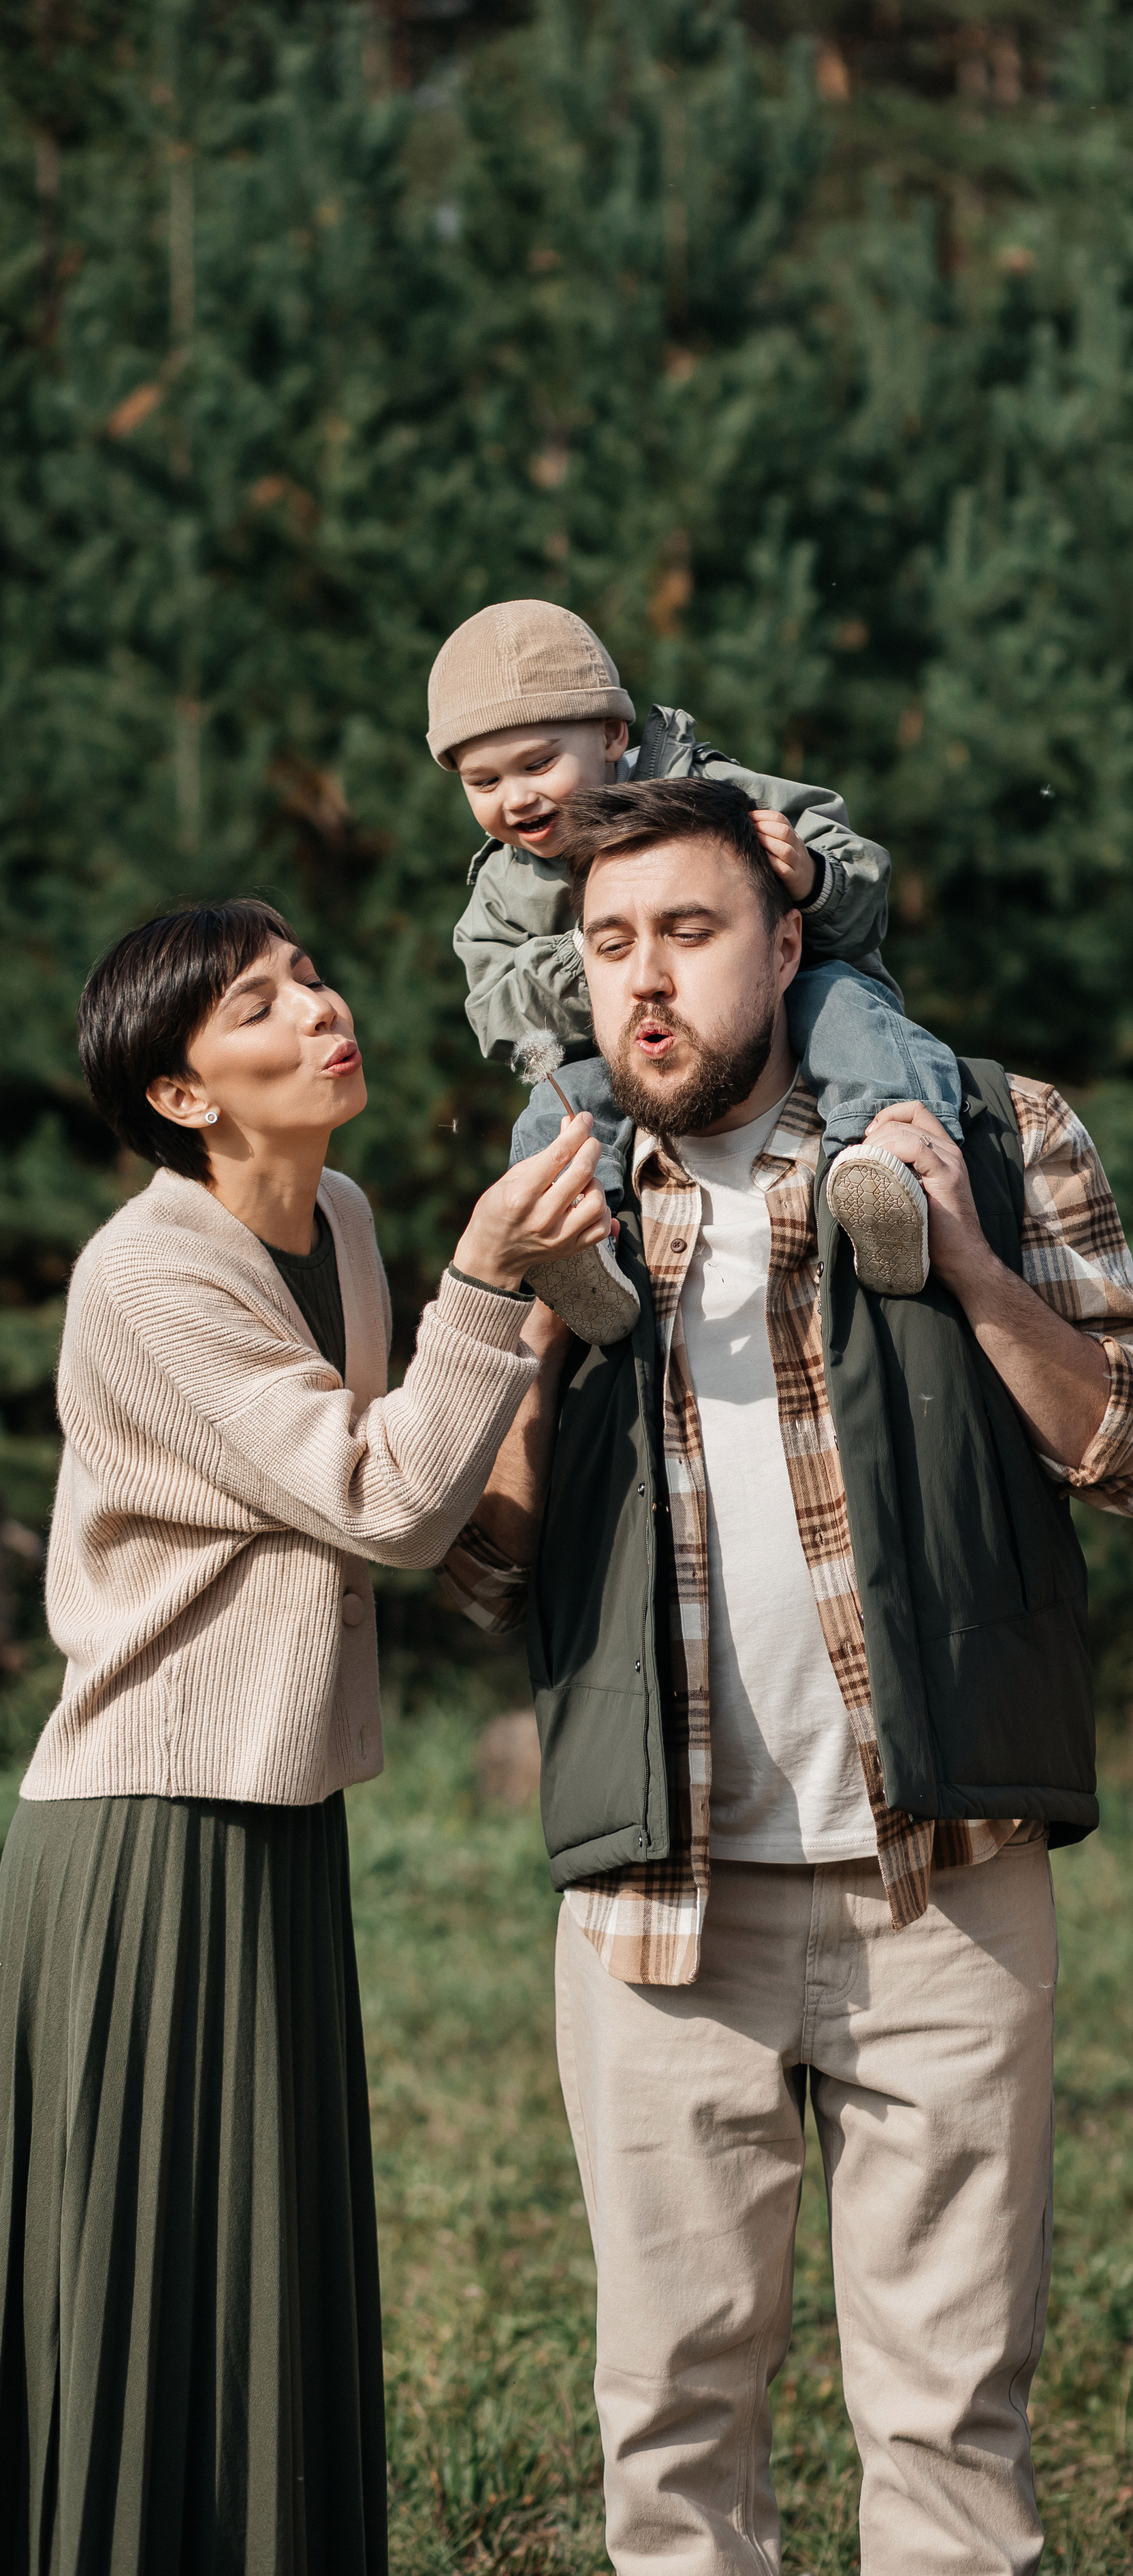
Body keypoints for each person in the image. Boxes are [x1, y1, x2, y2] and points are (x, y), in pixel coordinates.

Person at [440, 775, 1133, 2574]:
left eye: (689, 935)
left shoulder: (988, 1130)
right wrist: (533, 1313)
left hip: (945, 1873)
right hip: (659, 1901)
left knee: (949, 2417)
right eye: (608, 943)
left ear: (788, 944)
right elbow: (476, 1563)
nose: (644, 982)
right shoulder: (552, 1187)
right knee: (676, 2420)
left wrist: (968, 1268)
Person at [0, 899, 608, 2575]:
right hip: (139, 1836)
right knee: (144, 2289)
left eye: (309, 980)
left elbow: (396, 1477)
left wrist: (533, 1337)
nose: (318, 1012)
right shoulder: (147, 1271)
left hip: (270, 1811)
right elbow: (384, 1502)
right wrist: (487, 1280)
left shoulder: (333, 1211)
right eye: (257, 1010)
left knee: (264, 2268)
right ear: (185, 1097)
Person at [432, 596, 967, 1336]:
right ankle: (584, 1250)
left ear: (612, 733)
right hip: (629, 1054)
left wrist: (812, 875)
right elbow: (495, 1012)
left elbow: (864, 883)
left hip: (787, 998)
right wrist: (590, 951)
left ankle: (883, 1177)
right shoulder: (503, 887)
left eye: (538, 763)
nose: (516, 798)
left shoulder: (717, 795)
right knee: (556, 1111)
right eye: (483, 783)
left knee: (846, 1015)